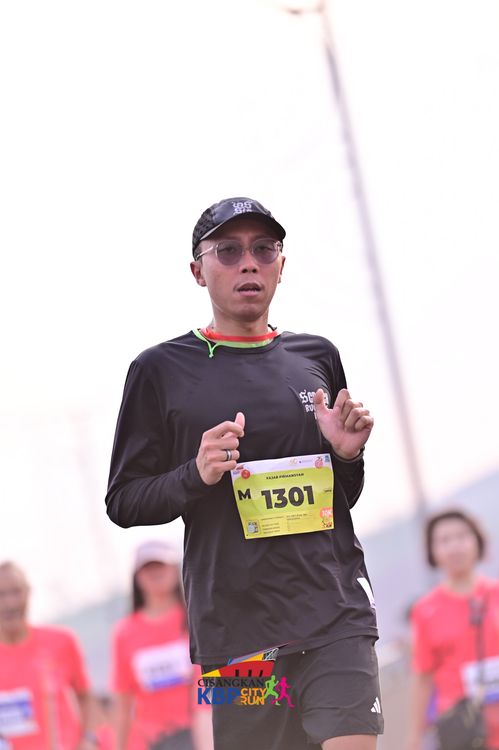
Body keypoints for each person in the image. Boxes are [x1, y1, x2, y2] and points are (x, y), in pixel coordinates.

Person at [105, 196, 383, 750]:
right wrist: (195, 473)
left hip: (336, 615)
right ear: (197, 270)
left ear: (282, 264)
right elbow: (123, 500)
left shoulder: (317, 355)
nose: (248, 263)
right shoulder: (158, 370)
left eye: (264, 249)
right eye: (228, 251)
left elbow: (340, 499)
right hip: (233, 634)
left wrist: (347, 456)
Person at [408, 509, 499, 750]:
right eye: (444, 540)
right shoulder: (425, 611)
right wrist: (416, 736)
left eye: (462, 536)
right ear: (432, 551)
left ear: (477, 541)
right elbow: (423, 676)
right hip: (462, 731)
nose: (455, 546)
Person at [111, 540, 212, 750]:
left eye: (161, 565)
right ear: (137, 577)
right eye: (148, 568)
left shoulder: (198, 618)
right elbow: (123, 702)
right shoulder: (125, 632)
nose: (155, 573)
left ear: (175, 570)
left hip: (203, 733)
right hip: (155, 741)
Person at [0, 561, 97, 750]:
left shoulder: (61, 641)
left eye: (16, 592)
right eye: (1, 594)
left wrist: (89, 739)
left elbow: (86, 698)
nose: (10, 603)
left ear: (28, 593)